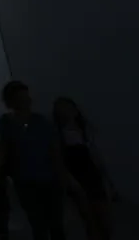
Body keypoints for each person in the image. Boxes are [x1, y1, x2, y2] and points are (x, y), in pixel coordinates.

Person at [0, 81, 69, 240]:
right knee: (38, 223)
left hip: (47, 178)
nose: (25, 100)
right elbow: (4, 148)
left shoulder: (42, 121)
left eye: (25, 96)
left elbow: (54, 152)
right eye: (20, 97)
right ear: (10, 101)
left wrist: (62, 176)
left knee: (54, 223)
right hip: (25, 179)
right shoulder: (7, 121)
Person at [52, 97, 112, 240]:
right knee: (90, 222)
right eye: (62, 109)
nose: (67, 112)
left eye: (68, 107)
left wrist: (108, 181)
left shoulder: (84, 130)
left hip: (93, 176)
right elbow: (59, 160)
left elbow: (96, 156)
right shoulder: (58, 135)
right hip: (77, 179)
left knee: (104, 221)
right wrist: (70, 180)